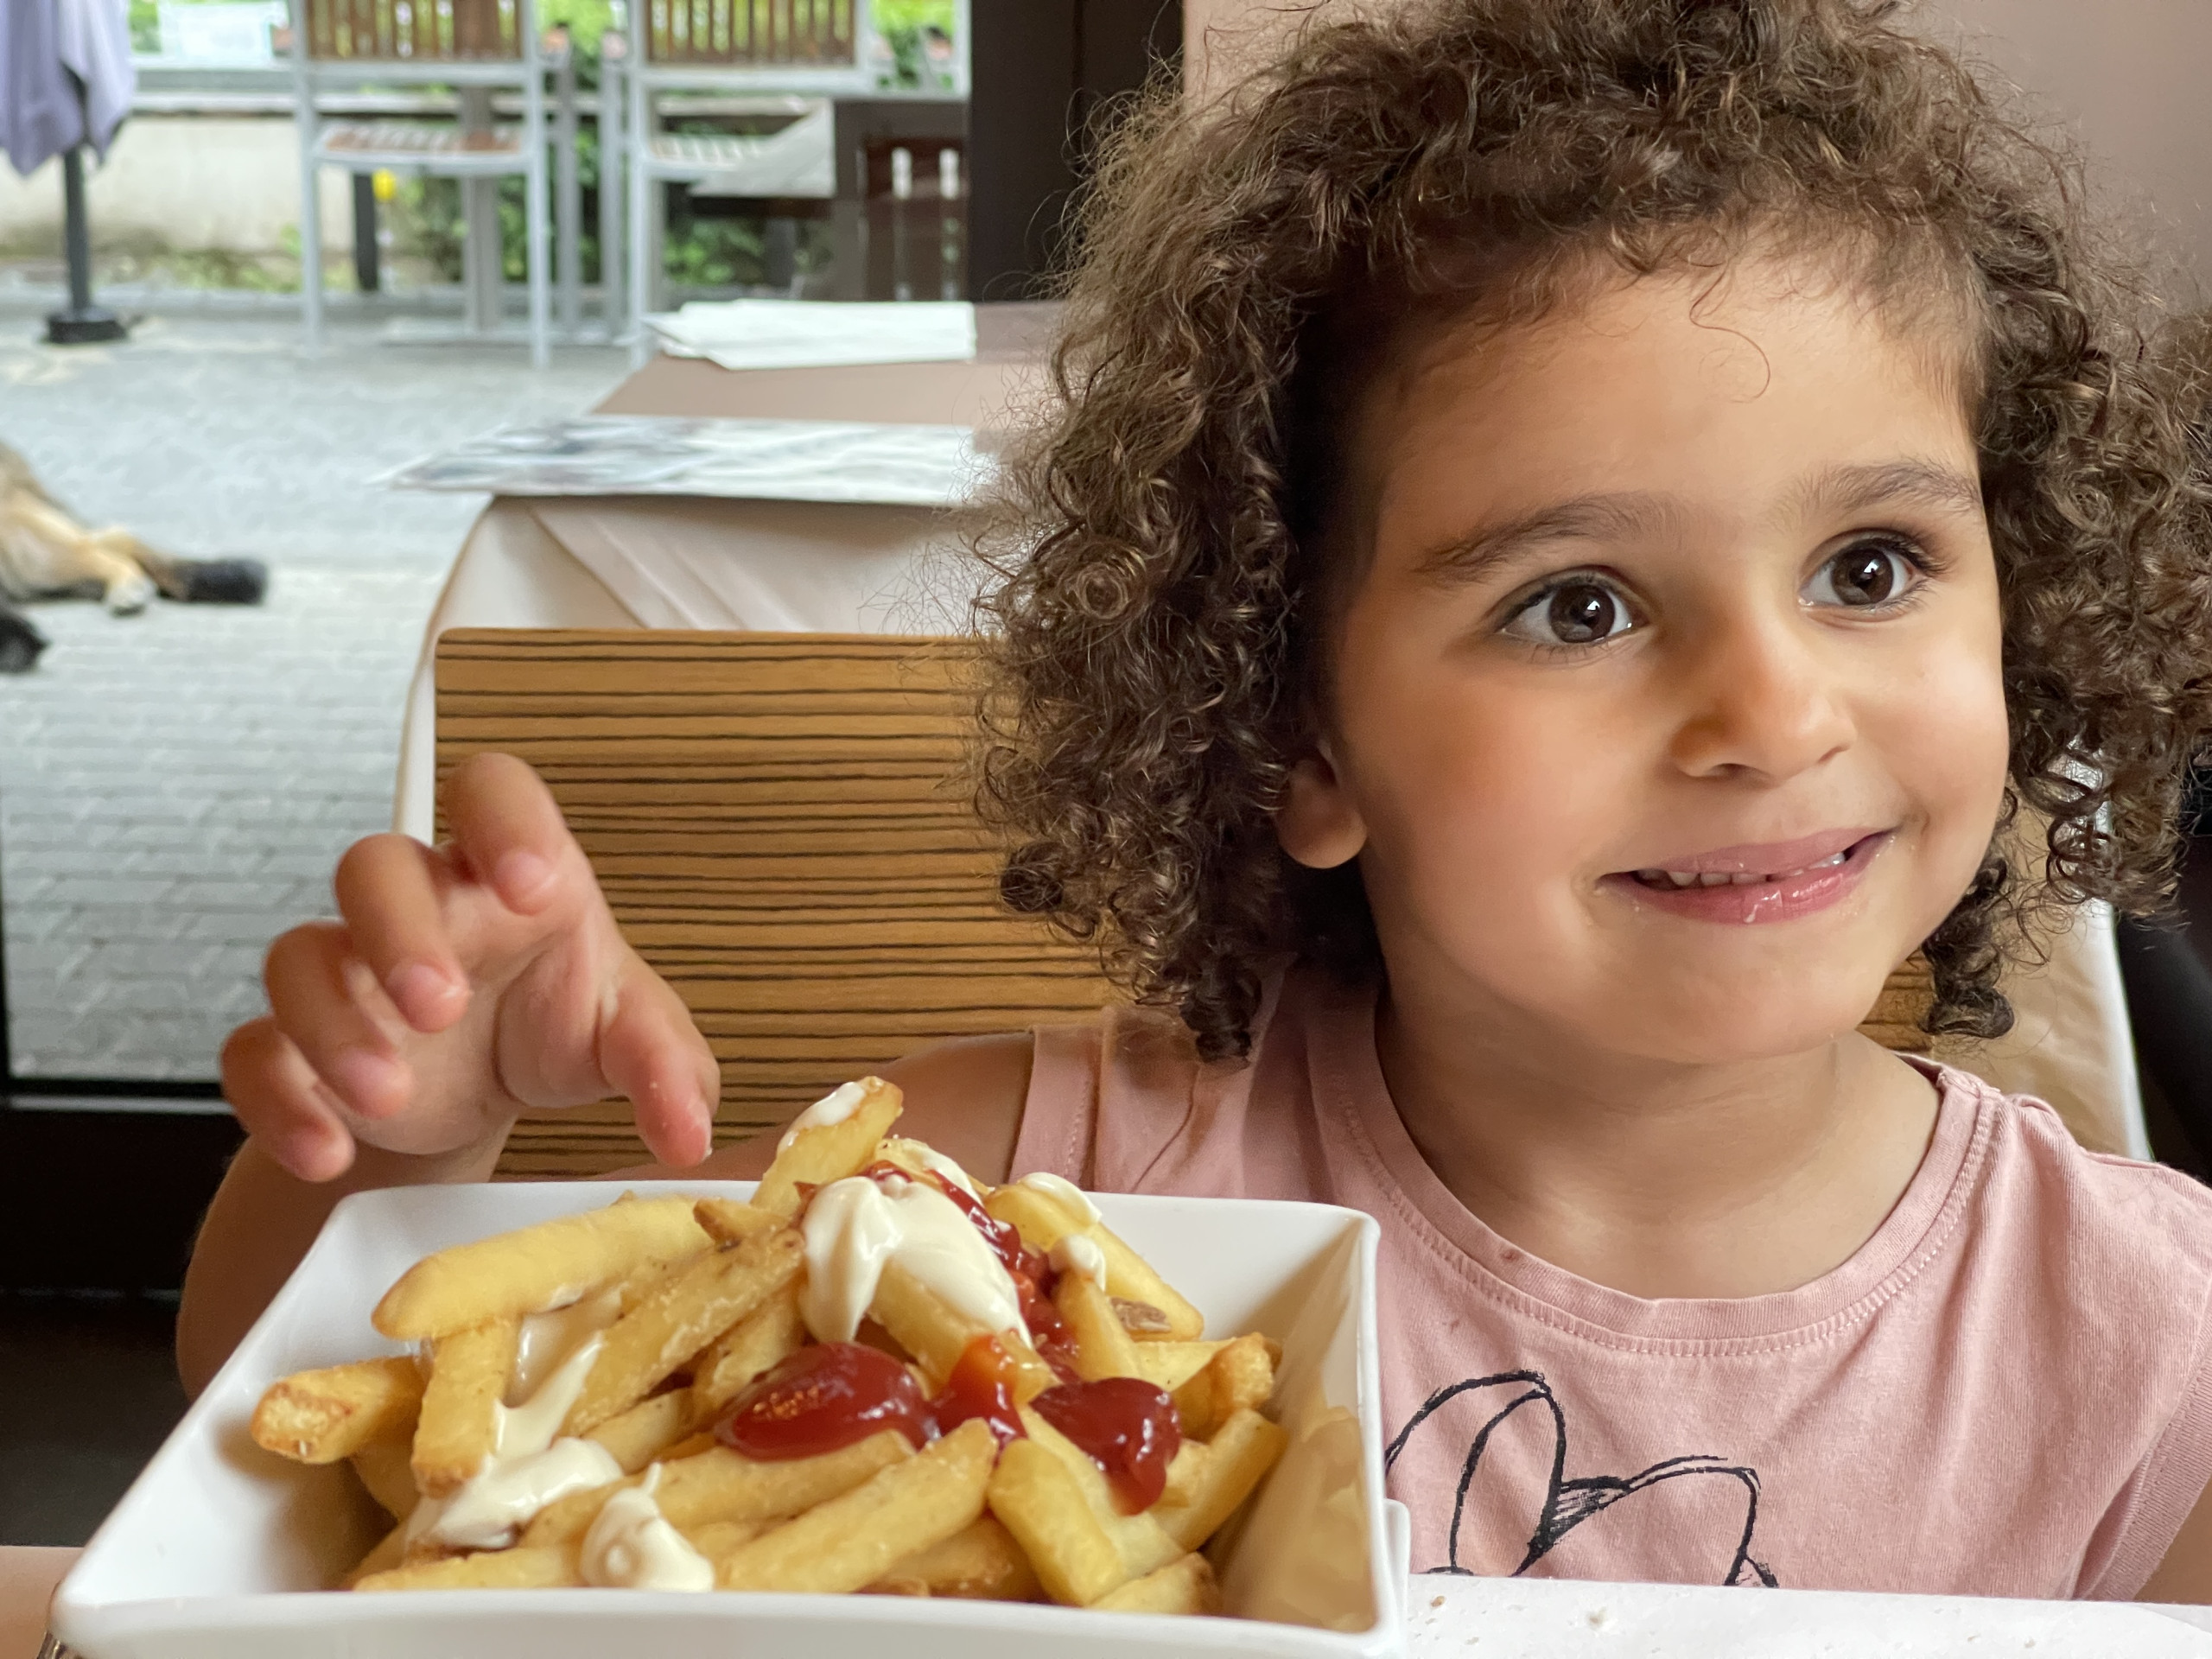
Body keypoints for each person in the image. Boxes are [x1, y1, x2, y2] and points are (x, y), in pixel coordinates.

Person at [179, 0, 2212, 1602]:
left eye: (1869, 565)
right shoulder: (1006, 1194)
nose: (1770, 712)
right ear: (1294, 733)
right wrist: (406, 1154)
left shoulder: (2157, 1345)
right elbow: (279, 1431)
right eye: (1575, 604)